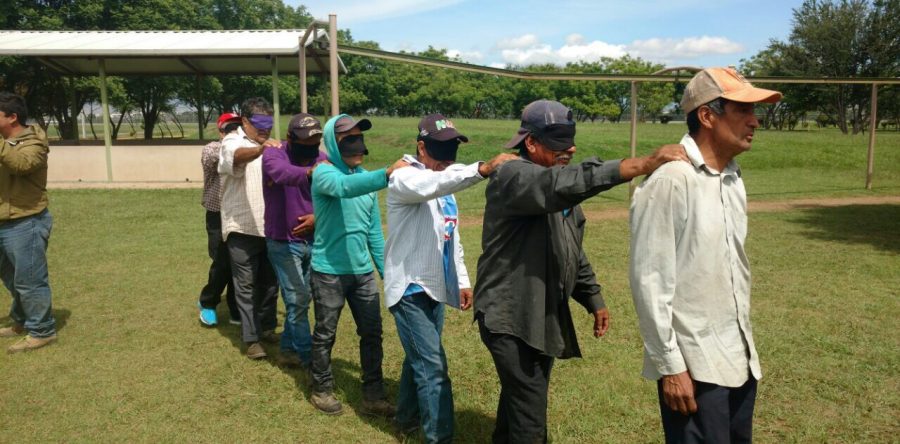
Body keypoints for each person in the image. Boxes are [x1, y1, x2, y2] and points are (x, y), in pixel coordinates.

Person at [473, 99, 687, 443]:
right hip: (510, 317)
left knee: (521, 399)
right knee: (530, 415)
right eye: (558, 141)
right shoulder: (512, 176)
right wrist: (644, 163)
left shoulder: (558, 191)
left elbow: (572, 249)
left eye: (570, 139)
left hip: (538, 315)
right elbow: (560, 185)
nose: (570, 148)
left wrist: (593, 298)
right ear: (531, 142)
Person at [629, 67, 781, 444]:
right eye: (743, 110)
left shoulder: (732, 176)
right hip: (696, 366)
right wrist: (671, 368)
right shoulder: (672, 180)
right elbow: (650, 281)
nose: (755, 121)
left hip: (738, 355)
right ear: (707, 115)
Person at [384, 114, 517, 442]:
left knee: (419, 359)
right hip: (409, 288)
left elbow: (450, 235)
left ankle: (405, 420)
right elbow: (432, 182)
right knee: (433, 369)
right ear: (421, 147)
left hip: (434, 287)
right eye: (440, 149)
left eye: (452, 149)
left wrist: (461, 279)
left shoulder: (445, 185)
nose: (447, 158)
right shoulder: (404, 178)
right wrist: (481, 168)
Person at [308, 114, 408, 416]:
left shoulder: (364, 179)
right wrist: (386, 173)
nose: (355, 144)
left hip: (362, 274)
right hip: (328, 272)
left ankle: (373, 395)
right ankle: (321, 389)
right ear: (332, 143)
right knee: (326, 333)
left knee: (372, 333)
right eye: (347, 138)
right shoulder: (323, 173)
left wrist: (386, 272)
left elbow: (374, 233)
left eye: (358, 137)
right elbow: (344, 188)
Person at [262, 113, 327, 368]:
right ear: (290, 137)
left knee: (303, 296)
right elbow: (282, 173)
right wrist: (312, 173)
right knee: (298, 298)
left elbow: (331, 196)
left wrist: (317, 217)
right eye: (304, 142)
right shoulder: (274, 154)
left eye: (315, 142)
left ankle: (287, 348)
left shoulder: (322, 158)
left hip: (313, 239)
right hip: (282, 241)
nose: (311, 148)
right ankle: (309, 357)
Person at [218, 97, 280, 360]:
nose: (265, 129)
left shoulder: (272, 144)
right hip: (240, 227)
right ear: (245, 121)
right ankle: (251, 338)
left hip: (271, 228)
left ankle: (266, 327)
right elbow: (235, 157)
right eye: (260, 123)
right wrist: (261, 149)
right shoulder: (232, 141)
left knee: (270, 283)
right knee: (245, 285)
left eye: (269, 123)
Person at [0, 92, 58, 353]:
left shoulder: (34, 142)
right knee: (12, 278)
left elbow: (20, 165)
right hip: (4, 220)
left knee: (30, 280)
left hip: (26, 221)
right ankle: (22, 321)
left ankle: (42, 331)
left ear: (12, 117)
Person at [198, 112, 242, 327]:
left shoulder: (245, 150)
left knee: (239, 262)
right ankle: (208, 302)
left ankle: (236, 309)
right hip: (217, 214)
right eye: (229, 128)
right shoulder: (212, 149)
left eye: (238, 128)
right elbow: (222, 155)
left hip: (238, 213)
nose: (233, 132)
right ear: (220, 130)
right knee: (221, 261)